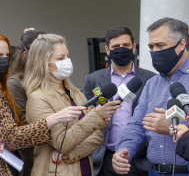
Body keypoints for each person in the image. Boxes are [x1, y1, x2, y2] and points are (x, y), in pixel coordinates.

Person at [112, 17, 189, 176]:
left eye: (160, 45)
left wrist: (174, 124)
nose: (155, 51)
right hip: (153, 171)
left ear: (181, 45)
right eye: (151, 47)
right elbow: (137, 124)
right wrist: (124, 149)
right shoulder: (152, 83)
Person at [23, 33, 121, 176]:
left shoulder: (75, 92)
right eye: (61, 58)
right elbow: (62, 142)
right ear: (43, 62)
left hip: (84, 169)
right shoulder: (38, 98)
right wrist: (97, 115)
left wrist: (71, 154)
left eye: (67, 56)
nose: (67, 61)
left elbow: (98, 137)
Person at [0, 34, 88, 176]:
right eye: (0, 54)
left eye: (7, 55)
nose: (4, 59)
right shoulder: (35, 95)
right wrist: (52, 119)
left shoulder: (3, 91)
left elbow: (12, 137)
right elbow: (61, 142)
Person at [84, 26, 155, 176]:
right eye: (116, 46)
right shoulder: (93, 80)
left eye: (125, 45)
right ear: (107, 50)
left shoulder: (151, 79)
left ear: (133, 47)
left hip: (140, 159)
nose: (121, 49)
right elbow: (84, 118)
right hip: (105, 159)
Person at [7, 28, 46, 176]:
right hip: (34, 160)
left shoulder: (54, 80)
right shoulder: (15, 84)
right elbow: (23, 124)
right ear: (26, 55)